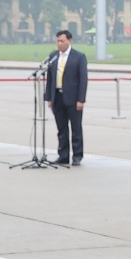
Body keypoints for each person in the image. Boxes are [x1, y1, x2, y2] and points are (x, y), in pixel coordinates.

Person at [44, 29, 88, 165]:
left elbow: (83, 80)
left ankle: (77, 156)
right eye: (58, 41)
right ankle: (63, 155)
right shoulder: (53, 56)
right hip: (57, 97)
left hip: (73, 99)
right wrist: (49, 98)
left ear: (69, 41)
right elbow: (50, 78)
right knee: (61, 129)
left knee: (76, 128)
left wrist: (81, 99)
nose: (59, 44)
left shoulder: (79, 57)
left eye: (62, 41)